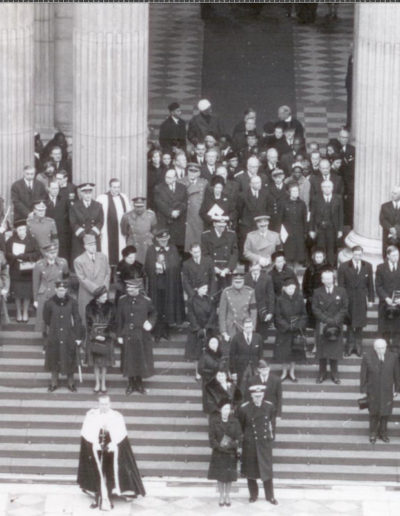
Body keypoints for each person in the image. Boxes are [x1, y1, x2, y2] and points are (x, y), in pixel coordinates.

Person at [77, 395, 146, 509]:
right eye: (102, 404)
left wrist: (113, 444)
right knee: (96, 474)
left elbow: (121, 434)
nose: (104, 406)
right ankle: (97, 497)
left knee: (109, 474)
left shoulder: (116, 416)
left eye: (106, 404)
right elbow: (86, 432)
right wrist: (94, 443)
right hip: (96, 449)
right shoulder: (91, 415)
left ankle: (108, 497)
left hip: (111, 450)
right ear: (98, 404)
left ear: (110, 404)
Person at [238, 385, 277, 505]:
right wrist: (241, 444)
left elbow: (272, 424)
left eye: (260, 396)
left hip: (264, 443)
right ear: (251, 396)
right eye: (255, 396)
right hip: (250, 444)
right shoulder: (244, 409)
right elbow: (240, 427)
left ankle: (270, 496)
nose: (258, 399)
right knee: (251, 471)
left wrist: (270, 439)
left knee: (267, 471)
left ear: (263, 395)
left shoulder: (269, 406)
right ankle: (253, 495)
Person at [144, 228, 185, 341]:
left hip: (169, 284)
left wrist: (166, 266)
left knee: (168, 306)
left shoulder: (172, 249)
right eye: (161, 240)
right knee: (157, 306)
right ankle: (157, 330)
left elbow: (176, 265)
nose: (164, 242)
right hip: (156, 284)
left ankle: (166, 330)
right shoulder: (151, 250)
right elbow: (147, 266)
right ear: (157, 239)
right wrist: (155, 267)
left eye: (166, 239)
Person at [43, 279, 84, 392]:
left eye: (64, 290)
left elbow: (77, 319)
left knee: (69, 357)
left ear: (67, 290)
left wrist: (78, 336)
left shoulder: (72, 302)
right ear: (56, 289)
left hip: (68, 335)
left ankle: (71, 383)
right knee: (54, 357)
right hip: (54, 335)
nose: (62, 292)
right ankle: (54, 382)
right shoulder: (49, 303)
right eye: (60, 290)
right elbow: (46, 319)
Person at [117, 278, 156, 394]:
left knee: (140, 358)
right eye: (128, 288)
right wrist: (119, 334)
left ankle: (139, 383)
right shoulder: (122, 300)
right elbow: (119, 318)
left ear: (138, 289)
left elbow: (153, 313)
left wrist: (150, 322)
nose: (129, 290)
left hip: (141, 335)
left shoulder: (146, 301)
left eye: (132, 288)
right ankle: (130, 383)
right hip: (128, 333)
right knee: (129, 359)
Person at [312, 268, 348, 384]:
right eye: (325, 278)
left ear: (333, 279)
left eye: (330, 278)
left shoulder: (341, 291)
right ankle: (322, 373)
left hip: (336, 324)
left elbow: (344, 307)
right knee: (322, 350)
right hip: (323, 324)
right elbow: (315, 308)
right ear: (322, 280)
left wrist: (336, 320)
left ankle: (334, 374)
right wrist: (326, 319)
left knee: (334, 350)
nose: (328, 281)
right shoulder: (317, 292)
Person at [360, 339, 400, 444]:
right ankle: (373, 433)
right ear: (374, 348)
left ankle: (383, 433)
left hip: (387, 390)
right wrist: (363, 388)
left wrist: (397, 389)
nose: (381, 350)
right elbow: (363, 374)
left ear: (386, 347)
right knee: (373, 412)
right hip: (373, 390)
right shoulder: (367, 357)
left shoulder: (393, 357)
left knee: (385, 413)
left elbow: (397, 374)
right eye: (378, 348)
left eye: (383, 348)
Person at [337, 246, 374, 357]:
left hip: (361, 298)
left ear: (362, 254)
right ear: (352, 254)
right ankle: (349, 346)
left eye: (360, 254)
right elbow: (341, 285)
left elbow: (370, 284)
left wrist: (371, 299)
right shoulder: (344, 266)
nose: (358, 256)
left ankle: (358, 347)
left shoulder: (367, 266)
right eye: (356, 254)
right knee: (349, 323)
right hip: (349, 298)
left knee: (360, 324)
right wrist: (342, 299)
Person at [207, 401, 242, 507]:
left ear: (230, 411)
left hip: (230, 453)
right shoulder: (214, 421)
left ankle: (228, 495)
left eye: (228, 409)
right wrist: (219, 447)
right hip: (218, 453)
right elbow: (211, 439)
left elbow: (239, 437)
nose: (226, 411)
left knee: (229, 476)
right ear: (220, 410)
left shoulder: (235, 422)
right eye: (224, 409)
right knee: (220, 476)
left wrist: (231, 446)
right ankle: (221, 495)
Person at [6, 219, 41, 322]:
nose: (22, 232)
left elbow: (37, 253)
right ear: (16, 230)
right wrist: (14, 256)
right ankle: (18, 312)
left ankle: (25, 311)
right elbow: (6, 254)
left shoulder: (32, 240)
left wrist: (25, 256)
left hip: (27, 270)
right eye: (20, 230)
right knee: (17, 293)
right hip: (15, 269)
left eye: (23, 229)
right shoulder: (11, 240)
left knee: (26, 293)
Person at [274, 278, 307, 382]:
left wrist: (298, 325)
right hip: (284, 330)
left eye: (293, 288)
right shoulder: (280, 299)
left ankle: (292, 372)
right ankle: (284, 372)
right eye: (289, 288)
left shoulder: (299, 298)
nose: (291, 290)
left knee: (294, 353)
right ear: (285, 288)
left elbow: (304, 315)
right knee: (284, 352)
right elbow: (278, 316)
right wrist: (287, 326)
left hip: (296, 330)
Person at [85, 286, 116, 394]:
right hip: (94, 338)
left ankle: (103, 384)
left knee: (104, 363)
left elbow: (113, 323)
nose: (106, 298)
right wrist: (95, 335)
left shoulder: (111, 307)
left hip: (106, 338)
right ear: (97, 298)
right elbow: (88, 324)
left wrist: (106, 335)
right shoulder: (89, 307)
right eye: (103, 296)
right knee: (96, 363)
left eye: (106, 296)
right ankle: (97, 383)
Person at [32, 241, 69, 332]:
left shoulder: (62, 262)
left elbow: (66, 278)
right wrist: (35, 299)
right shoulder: (39, 265)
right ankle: (46, 342)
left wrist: (65, 293)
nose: (54, 255)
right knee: (44, 319)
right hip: (44, 294)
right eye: (51, 253)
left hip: (57, 293)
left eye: (55, 252)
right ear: (46, 253)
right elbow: (35, 283)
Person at [74, 234, 111, 323]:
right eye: (90, 245)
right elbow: (82, 278)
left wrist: (104, 288)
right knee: (88, 320)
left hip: (103, 293)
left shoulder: (103, 257)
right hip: (88, 294)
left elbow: (108, 272)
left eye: (94, 244)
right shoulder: (79, 260)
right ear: (85, 246)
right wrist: (96, 290)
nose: (93, 247)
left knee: (103, 318)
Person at [219, 270, 257, 352]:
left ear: (243, 281)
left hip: (245, 325)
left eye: (240, 281)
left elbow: (253, 311)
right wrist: (224, 331)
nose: (238, 283)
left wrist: (252, 327)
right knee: (231, 350)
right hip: (231, 326)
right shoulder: (226, 292)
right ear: (232, 281)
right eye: (236, 281)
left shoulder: (250, 291)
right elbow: (222, 313)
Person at [201, 215, 238, 298]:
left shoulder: (231, 235)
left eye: (224, 226)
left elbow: (234, 253)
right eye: (220, 226)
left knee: (227, 295)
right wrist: (213, 268)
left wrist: (228, 268)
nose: (222, 228)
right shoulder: (206, 235)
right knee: (213, 295)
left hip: (226, 270)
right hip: (212, 269)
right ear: (214, 224)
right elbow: (205, 254)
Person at [309, 180, 343, 266]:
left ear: (332, 188)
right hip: (320, 228)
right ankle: (321, 266)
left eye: (328, 187)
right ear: (321, 188)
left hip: (332, 228)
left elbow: (341, 215)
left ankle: (330, 266)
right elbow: (312, 215)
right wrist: (311, 229)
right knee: (321, 248)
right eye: (324, 187)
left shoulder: (338, 198)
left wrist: (340, 230)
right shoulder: (316, 198)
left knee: (331, 248)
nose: (326, 189)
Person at [97, 179, 130, 266]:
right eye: (114, 187)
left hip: (120, 230)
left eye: (118, 187)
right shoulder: (102, 198)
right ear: (110, 187)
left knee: (121, 248)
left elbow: (128, 213)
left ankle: (119, 268)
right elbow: (97, 215)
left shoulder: (124, 197)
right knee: (107, 250)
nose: (117, 189)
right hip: (107, 229)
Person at [153, 169, 187, 255]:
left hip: (179, 222)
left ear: (175, 178)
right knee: (165, 246)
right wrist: (171, 212)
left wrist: (178, 211)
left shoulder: (182, 187)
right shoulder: (158, 188)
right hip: (165, 222)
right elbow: (159, 203)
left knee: (178, 247)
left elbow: (184, 202)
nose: (167, 179)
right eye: (166, 177)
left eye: (170, 178)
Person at [69, 183, 104, 264]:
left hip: (94, 238)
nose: (88, 195)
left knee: (94, 262)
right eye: (85, 193)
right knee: (81, 262)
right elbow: (73, 223)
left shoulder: (98, 205)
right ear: (81, 193)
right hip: (80, 239)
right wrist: (84, 235)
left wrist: (92, 234)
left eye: (90, 193)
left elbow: (100, 222)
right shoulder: (75, 206)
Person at [186, 283, 217, 371]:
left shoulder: (210, 300)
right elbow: (191, 315)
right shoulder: (191, 301)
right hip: (196, 330)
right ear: (197, 289)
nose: (205, 290)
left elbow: (213, 313)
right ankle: (197, 371)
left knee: (210, 350)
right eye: (203, 288)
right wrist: (198, 328)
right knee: (197, 353)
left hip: (208, 329)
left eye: (206, 288)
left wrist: (207, 326)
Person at [375, 245, 400, 354]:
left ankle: (396, 346)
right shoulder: (381, 267)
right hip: (385, 303)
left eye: (397, 255)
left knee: (397, 325)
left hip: (399, 303)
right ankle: (384, 346)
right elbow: (378, 285)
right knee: (384, 326)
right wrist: (386, 298)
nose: (396, 257)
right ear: (388, 256)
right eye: (393, 255)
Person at [245, 360, 282, 432]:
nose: (265, 371)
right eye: (262, 369)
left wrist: (278, 414)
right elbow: (247, 397)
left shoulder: (276, 380)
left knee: (271, 430)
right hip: (256, 409)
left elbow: (279, 398)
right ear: (258, 370)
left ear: (269, 368)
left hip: (271, 410)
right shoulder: (252, 380)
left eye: (266, 369)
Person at [120, 197, 157, 266]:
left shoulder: (151, 215)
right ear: (133, 206)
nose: (139, 209)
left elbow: (154, 228)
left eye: (141, 206)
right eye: (137, 206)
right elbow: (124, 231)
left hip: (146, 244)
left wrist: (150, 236)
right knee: (132, 264)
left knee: (148, 264)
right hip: (133, 243)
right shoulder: (127, 216)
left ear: (144, 205)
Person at [180, 163, 208, 252]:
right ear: (187, 171)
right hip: (185, 214)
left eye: (195, 171)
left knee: (197, 238)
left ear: (199, 173)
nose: (192, 173)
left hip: (197, 215)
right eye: (190, 171)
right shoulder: (180, 181)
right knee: (185, 239)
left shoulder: (204, 183)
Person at [229, 317, 263, 391]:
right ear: (243, 327)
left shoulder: (258, 337)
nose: (249, 329)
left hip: (254, 368)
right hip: (240, 369)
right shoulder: (236, 338)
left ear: (253, 326)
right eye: (247, 327)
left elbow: (260, 355)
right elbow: (232, 356)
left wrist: (260, 369)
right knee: (241, 388)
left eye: (250, 327)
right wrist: (233, 371)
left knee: (254, 388)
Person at [244, 263, 275, 339]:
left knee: (261, 337)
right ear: (250, 268)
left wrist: (270, 312)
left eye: (257, 269)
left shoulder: (267, 278)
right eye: (253, 269)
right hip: (249, 311)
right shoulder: (245, 278)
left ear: (260, 268)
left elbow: (271, 296)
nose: (255, 271)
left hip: (262, 311)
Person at [280, 184, 307, 268]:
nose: (295, 193)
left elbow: (305, 219)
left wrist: (305, 232)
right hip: (287, 233)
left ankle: (295, 273)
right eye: (293, 191)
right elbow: (280, 219)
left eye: (297, 191)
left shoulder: (302, 204)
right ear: (289, 192)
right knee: (288, 254)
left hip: (299, 232)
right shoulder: (284, 203)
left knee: (298, 254)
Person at [45, 180, 72, 264]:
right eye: (53, 188)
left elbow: (69, 214)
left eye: (57, 188)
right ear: (48, 189)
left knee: (62, 254)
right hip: (48, 232)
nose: (55, 190)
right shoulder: (43, 200)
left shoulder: (64, 199)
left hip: (62, 232)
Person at [198, 337, 225, 413]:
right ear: (209, 344)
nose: (213, 345)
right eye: (211, 343)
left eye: (215, 343)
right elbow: (200, 369)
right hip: (208, 381)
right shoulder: (205, 355)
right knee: (210, 403)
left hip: (220, 381)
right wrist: (212, 372)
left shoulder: (221, 354)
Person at [302, 248, 327, 329]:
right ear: (314, 258)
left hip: (323, 296)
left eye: (320, 257)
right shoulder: (309, 269)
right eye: (317, 257)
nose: (319, 259)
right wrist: (306, 295)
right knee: (313, 320)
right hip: (312, 296)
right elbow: (305, 282)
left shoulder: (327, 268)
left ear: (323, 257)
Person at [379, 186, 400, 256]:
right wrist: (390, 228)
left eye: (395, 193)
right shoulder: (384, 206)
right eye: (392, 193)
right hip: (388, 236)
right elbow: (382, 220)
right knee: (387, 256)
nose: (392, 195)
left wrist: (397, 230)